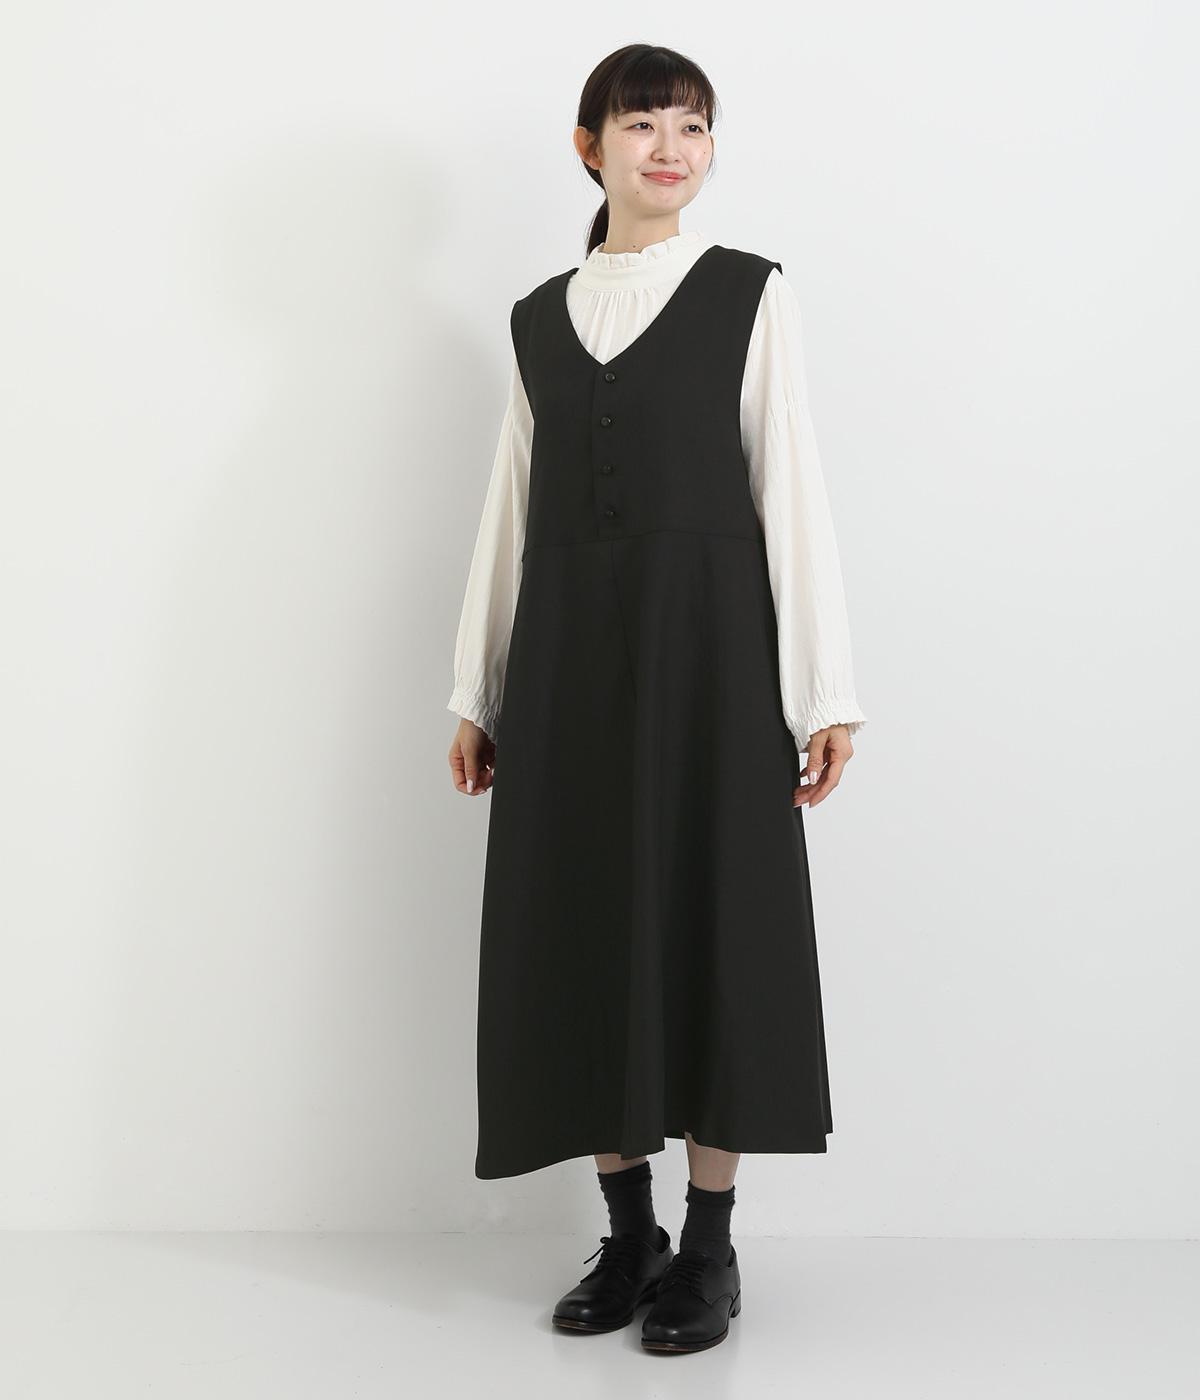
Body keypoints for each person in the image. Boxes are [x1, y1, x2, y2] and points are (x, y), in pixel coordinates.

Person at [446, 43, 867, 1354]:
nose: (670, 147)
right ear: (591, 148)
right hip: (569, 661)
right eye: (641, 124)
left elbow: (789, 481)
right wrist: (478, 691)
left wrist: (823, 689)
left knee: (715, 922)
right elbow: (511, 510)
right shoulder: (537, 318)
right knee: (587, 921)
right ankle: (629, 1236)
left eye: (692, 125)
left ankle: (710, 1248)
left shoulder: (748, 293)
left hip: (712, 659)